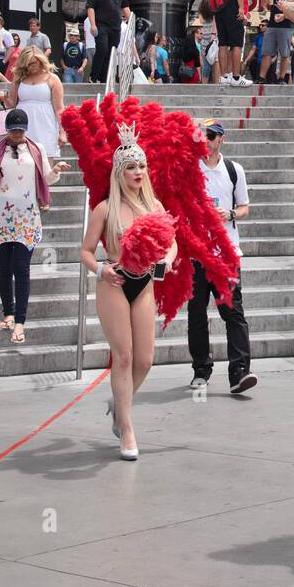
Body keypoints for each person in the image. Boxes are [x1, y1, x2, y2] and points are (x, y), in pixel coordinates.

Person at [81, 124, 177, 458]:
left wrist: (166, 259)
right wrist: (101, 270)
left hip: (145, 282)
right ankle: (128, 429)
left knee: (145, 360)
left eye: (142, 166)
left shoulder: (155, 205)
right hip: (115, 281)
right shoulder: (104, 209)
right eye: (131, 167)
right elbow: (85, 252)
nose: (138, 172)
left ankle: (119, 405)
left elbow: (172, 242)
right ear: (119, 172)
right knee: (122, 357)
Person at [0, 107, 69, 345]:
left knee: (21, 267)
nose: (17, 134)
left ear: (26, 129)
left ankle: (20, 322)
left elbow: (46, 177)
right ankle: (8, 313)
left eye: (20, 130)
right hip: (0, 216)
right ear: (7, 130)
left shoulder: (36, 148)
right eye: (13, 130)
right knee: (4, 267)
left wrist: (56, 171)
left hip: (27, 217)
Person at [187, 119, 256, 394]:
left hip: (226, 252)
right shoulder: (191, 169)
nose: (207, 140)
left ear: (221, 139)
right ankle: (201, 368)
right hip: (197, 254)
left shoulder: (233, 170)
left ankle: (240, 371)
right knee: (196, 314)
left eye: (212, 136)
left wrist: (228, 214)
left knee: (233, 312)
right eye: (203, 136)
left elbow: (244, 208)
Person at [0, 47, 66, 162]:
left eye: (33, 63)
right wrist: (4, 98)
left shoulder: (52, 78)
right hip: (22, 125)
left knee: (45, 167)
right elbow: (12, 104)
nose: (30, 66)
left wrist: (62, 132)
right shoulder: (19, 78)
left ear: (40, 60)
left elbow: (59, 109)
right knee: (20, 164)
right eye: (27, 64)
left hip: (46, 125)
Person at [86, 0, 131, 84]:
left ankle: (104, 79)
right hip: (101, 25)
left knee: (111, 53)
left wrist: (131, 22)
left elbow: (125, 7)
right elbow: (90, 8)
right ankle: (93, 77)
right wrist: (93, 25)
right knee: (102, 49)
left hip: (116, 27)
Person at [213, 0, 250, 86]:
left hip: (219, 10)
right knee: (236, 44)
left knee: (223, 43)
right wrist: (241, 7)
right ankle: (235, 78)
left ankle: (223, 77)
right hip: (232, 10)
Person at [259, 0, 294, 85]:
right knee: (266, 52)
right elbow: (263, 4)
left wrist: (284, 16)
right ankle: (261, 78)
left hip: (286, 26)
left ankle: (281, 78)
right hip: (272, 25)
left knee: (285, 53)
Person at [82, 14, 96, 82]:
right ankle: (94, 80)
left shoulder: (86, 20)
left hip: (88, 46)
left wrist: (86, 44)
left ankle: (86, 81)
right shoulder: (98, 17)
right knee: (96, 65)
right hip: (96, 46)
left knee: (88, 67)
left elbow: (85, 34)